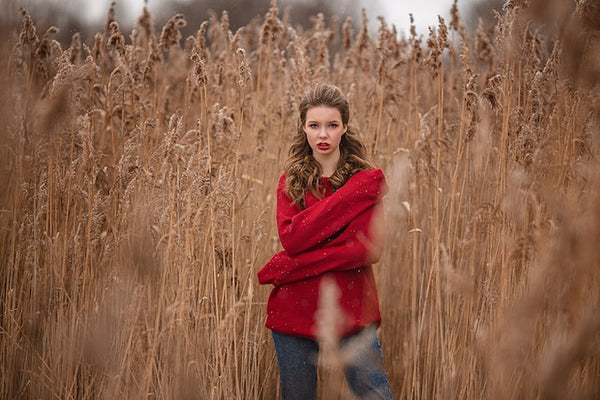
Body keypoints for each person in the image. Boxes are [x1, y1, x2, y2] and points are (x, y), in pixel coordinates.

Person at [257, 83, 393, 400]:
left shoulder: (364, 181)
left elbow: (368, 249)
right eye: (314, 125)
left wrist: (297, 262)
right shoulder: (291, 181)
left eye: (332, 125)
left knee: (375, 395)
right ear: (303, 127)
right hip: (294, 307)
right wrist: (341, 217)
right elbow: (291, 238)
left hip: (352, 307)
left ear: (344, 127)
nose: (323, 135)